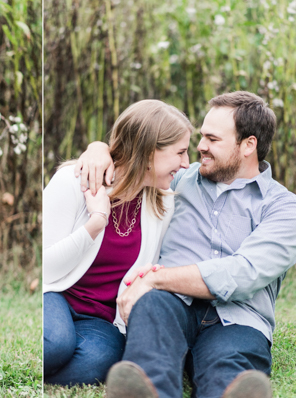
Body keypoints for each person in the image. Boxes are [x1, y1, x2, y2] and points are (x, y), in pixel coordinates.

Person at [77, 91, 296, 398]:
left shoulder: (284, 208)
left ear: (249, 145)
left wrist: (154, 278)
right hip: (170, 303)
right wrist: (99, 149)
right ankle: (147, 389)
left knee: (229, 364)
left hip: (237, 318)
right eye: (202, 136)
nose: (200, 146)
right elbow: (140, 153)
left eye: (212, 139)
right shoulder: (180, 178)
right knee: (151, 317)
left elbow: (243, 273)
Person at [43, 100, 193, 386]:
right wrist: (96, 222)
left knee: (100, 361)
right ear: (150, 152)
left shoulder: (161, 204)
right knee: (56, 344)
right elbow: (43, 269)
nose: (186, 163)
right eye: (180, 152)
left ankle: (40, 374)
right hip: (54, 296)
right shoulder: (72, 182)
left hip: (100, 321)